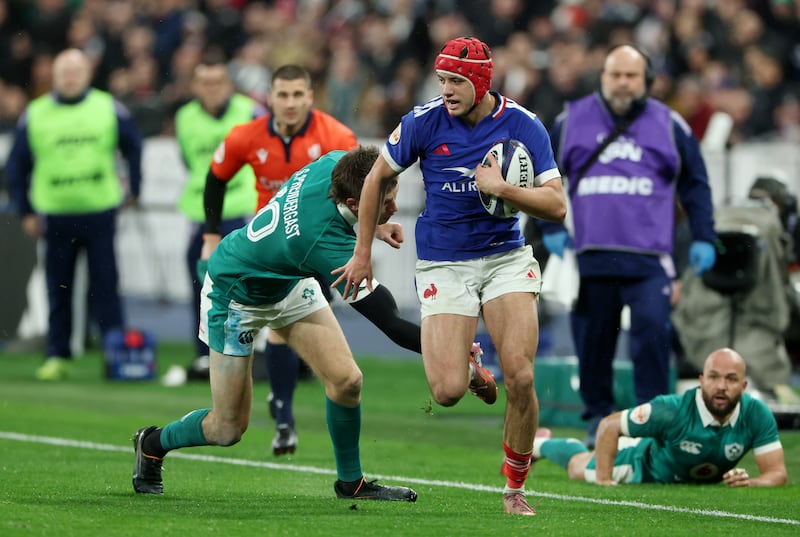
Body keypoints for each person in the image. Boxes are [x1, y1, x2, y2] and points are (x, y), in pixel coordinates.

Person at [333, 36, 567, 516]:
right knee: (447, 392)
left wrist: (503, 190)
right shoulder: (423, 122)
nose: (446, 90)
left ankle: (515, 488)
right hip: (444, 262)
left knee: (521, 377)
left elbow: (557, 205)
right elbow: (376, 177)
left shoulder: (524, 125)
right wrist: (362, 253)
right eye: (441, 80)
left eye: (456, 81)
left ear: (481, 81)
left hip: (505, 257)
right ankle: (471, 368)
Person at [133, 146, 426, 501]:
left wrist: (374, 224)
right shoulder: (324, 245)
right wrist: (453, 354)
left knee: (347, 381)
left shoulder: (337, 163)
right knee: (227, 429)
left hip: (286, 280)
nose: (395, 207)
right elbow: (392, 324)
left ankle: (352, 483)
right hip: (235, 294)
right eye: (386, 202)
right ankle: (152, 443)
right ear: (354, 203)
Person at [541, 44, 718, 448]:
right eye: (615, 74)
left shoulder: (670, 124)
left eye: (631, 76)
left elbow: (696, 184)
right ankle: (598, 422)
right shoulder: (571, 121)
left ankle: (651, 422)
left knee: (654, 337)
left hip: (650, 258)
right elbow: (539, 173)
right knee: (593, 344)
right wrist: (544, 225)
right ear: (602, 77)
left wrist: (706, 235)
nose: (622, 83)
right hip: (590, 256)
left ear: (647, 81)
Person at [202, 64, 358, 456]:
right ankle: (285, 416)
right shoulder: (246, 136)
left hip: (316, 249)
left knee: (311, 350)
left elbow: (361, 191)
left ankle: (283, 410)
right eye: (282, 95)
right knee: (275, 334)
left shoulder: (336, 137)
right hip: (267, 253)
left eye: (297, 95)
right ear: (269, 98)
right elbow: (216, 176)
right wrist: (210, 233)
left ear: (310, 97)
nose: (290, 103)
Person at [6, 48, 143, 381]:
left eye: (75, 70)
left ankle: (116, 356)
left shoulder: (108, 108)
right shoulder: (35, 113)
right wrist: (25, 210)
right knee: (59, 290)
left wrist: (134, 189)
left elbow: (134, 147)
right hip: (55, 216)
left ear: (87, 74)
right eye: (63, 70)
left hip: (99, 213)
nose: (70, 76)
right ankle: (58, 355)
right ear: (53, 76)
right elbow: (16, 167)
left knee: (106, 287)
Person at [531, 348, 788, 487]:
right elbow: (608, 425)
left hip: (686, 474)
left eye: (731, 379)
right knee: (578, 467)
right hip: (642, 466)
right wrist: (604, 480)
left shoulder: (756, 414)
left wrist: (751, 483)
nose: (721, 386)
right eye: (714, 377)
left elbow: (777, 473)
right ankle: (537, 446)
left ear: (743, 387)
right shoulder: (671, 409)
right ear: (701, 381)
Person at [174, 54, 263, 380]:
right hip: (201, 215)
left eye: (218, 82)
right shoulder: (184, 117)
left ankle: (247, 351)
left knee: (243, 287)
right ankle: (203, 355)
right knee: (200, 286)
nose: (212, 89)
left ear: (229, 84)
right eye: (205, 83)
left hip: (243, 212)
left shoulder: (250, 112)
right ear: (195, 86)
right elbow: (189, 160)